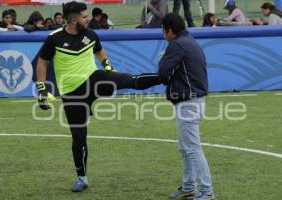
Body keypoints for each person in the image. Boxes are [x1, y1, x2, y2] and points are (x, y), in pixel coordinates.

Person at [36, 1, 160, 193]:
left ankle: (164, 77)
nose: (88, 19)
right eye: (84, 16)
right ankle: (82, 178)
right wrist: (42, 90)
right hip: (72, 93)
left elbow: (99, 51)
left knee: (126, 79)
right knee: (79, 138)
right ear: (73, 19)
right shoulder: (54, 39)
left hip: (94, 80)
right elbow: (42, 63)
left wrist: (108, 67)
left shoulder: (90, 34)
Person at [158, 13, 215, 200]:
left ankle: (206, 192)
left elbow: (163, 74)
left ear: (169, 31)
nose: (163, 35)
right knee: (185, 148)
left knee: (192, 149)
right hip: (195, 101)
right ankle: (189, 187)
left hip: (188, 103)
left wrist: (162, 60)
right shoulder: (190, 41)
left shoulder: (176, 45)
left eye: (163, 31)